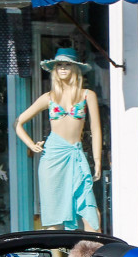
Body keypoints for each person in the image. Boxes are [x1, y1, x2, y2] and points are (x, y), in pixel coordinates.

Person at [15, 47, 103, 231]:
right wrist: (31, 144)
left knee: (91, 213)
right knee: (52, 215)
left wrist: (97, 161)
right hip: (52, 157)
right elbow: (18, 122)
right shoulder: (49, 98)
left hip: (76, 156)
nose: (62, 68)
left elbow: (95, 129)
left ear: (75, 68)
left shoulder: (88, 95)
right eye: (59, 65)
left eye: (67, 64)